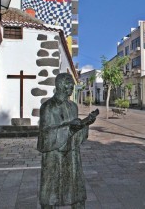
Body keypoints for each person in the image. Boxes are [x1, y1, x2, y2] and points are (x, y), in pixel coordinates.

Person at [37, 73, 98, 209]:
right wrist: (69, 128)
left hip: (72, 155)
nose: (72, 85)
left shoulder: (73, 106)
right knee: (51, 194)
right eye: (69, 83)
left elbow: (76, 131)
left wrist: (85, 124)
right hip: (54, 157)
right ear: (60, 85)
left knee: (76, 193)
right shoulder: (48, 107)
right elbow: (45, 135)